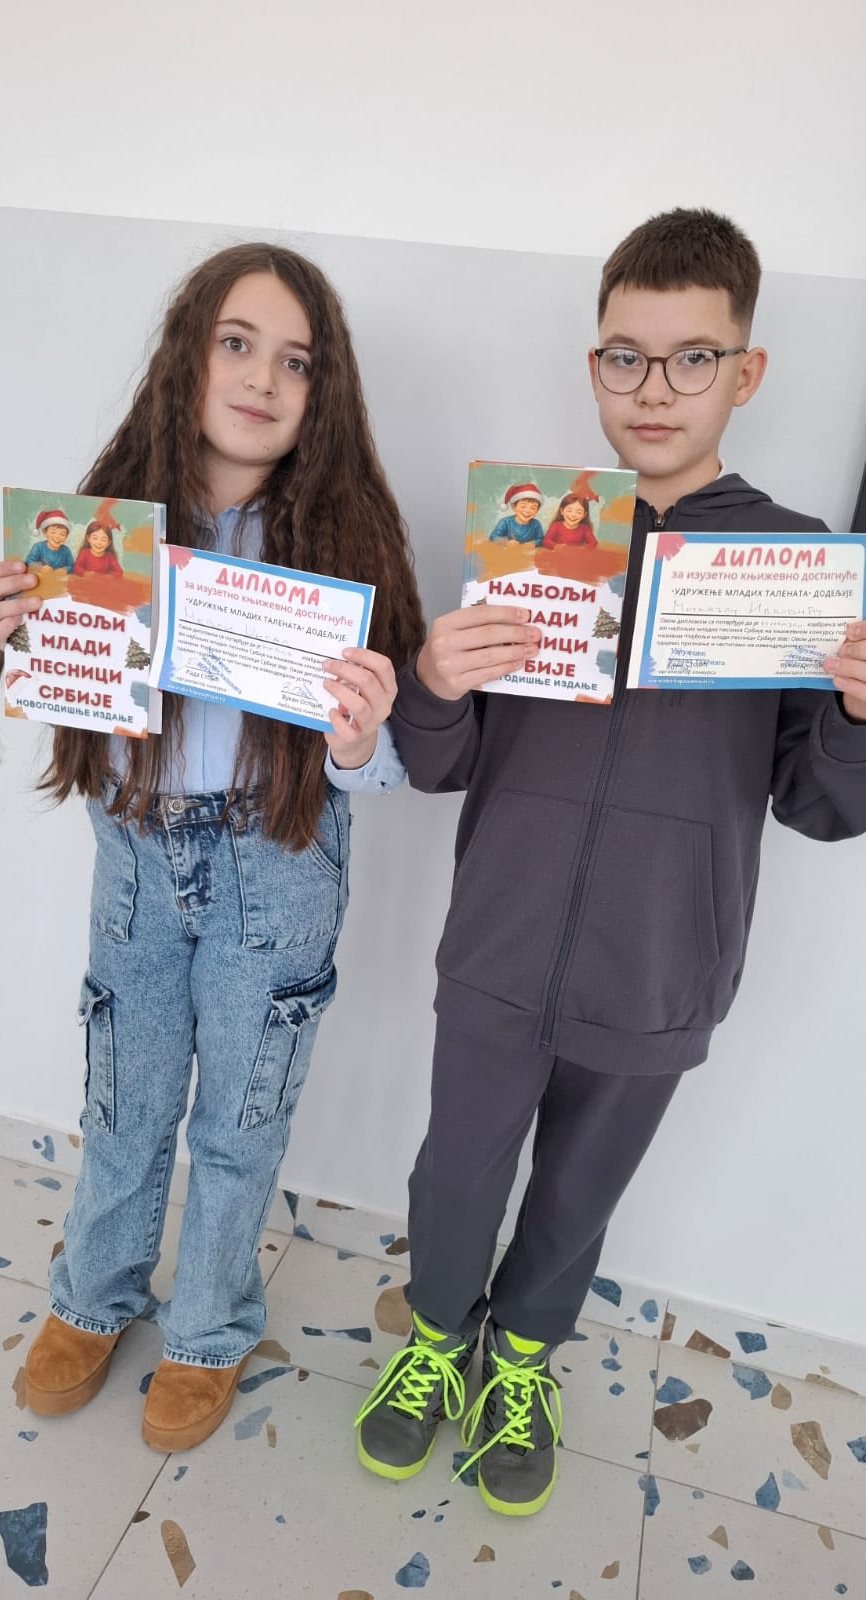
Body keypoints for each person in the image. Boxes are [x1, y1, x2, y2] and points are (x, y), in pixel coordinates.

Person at [354, 207, 866, 1518]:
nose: (656, 388)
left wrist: (859, 720)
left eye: (693, 358)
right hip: (498, 944)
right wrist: (435, 683)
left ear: (746, 372)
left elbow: (819, 803)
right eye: (627, 357)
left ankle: (523, 1356)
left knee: (581, 1187)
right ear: (594, 367)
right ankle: (435, 1337)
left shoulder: (793, 563)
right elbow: (442, 763)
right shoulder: (535, 535)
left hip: (661, 965)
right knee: (455, 1170)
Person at [0, 242, 424, 1452]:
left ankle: (210, 1327)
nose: (263, 378)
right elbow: (65, 671)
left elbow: (385, 766)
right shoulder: (109, 521)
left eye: (297, 361)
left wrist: (359, 736)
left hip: (277, 863)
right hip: (135, 855)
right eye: (237, 343)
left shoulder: (349, 539)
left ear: (324, 392)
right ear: (188, 355)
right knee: (124, 1096)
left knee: (240, 1118)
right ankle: (93, 1295)